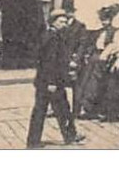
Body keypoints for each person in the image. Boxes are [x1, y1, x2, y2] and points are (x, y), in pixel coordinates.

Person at [26, 8, 86, 148]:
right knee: (46, 110)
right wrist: (51, 82)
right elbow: (49, 62)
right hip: (50, 82)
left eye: (65, 21)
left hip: (47, 81)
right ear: (53, 22)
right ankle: (35, 141)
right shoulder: (52, 38)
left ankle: (68, 135)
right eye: (61, 21)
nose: (64, 24)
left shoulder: (53, 35)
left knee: (60, 109)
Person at [76, 6, 116, 121]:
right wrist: (88, 55)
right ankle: (85, 108)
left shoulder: (114, 32)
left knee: (99, 84)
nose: (104, 22)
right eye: (102, 19)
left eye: (107, 19)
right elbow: (91, 45)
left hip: (105, 58)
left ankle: (98, 110)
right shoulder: (98, 32)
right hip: (94, 58)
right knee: (87, 83)